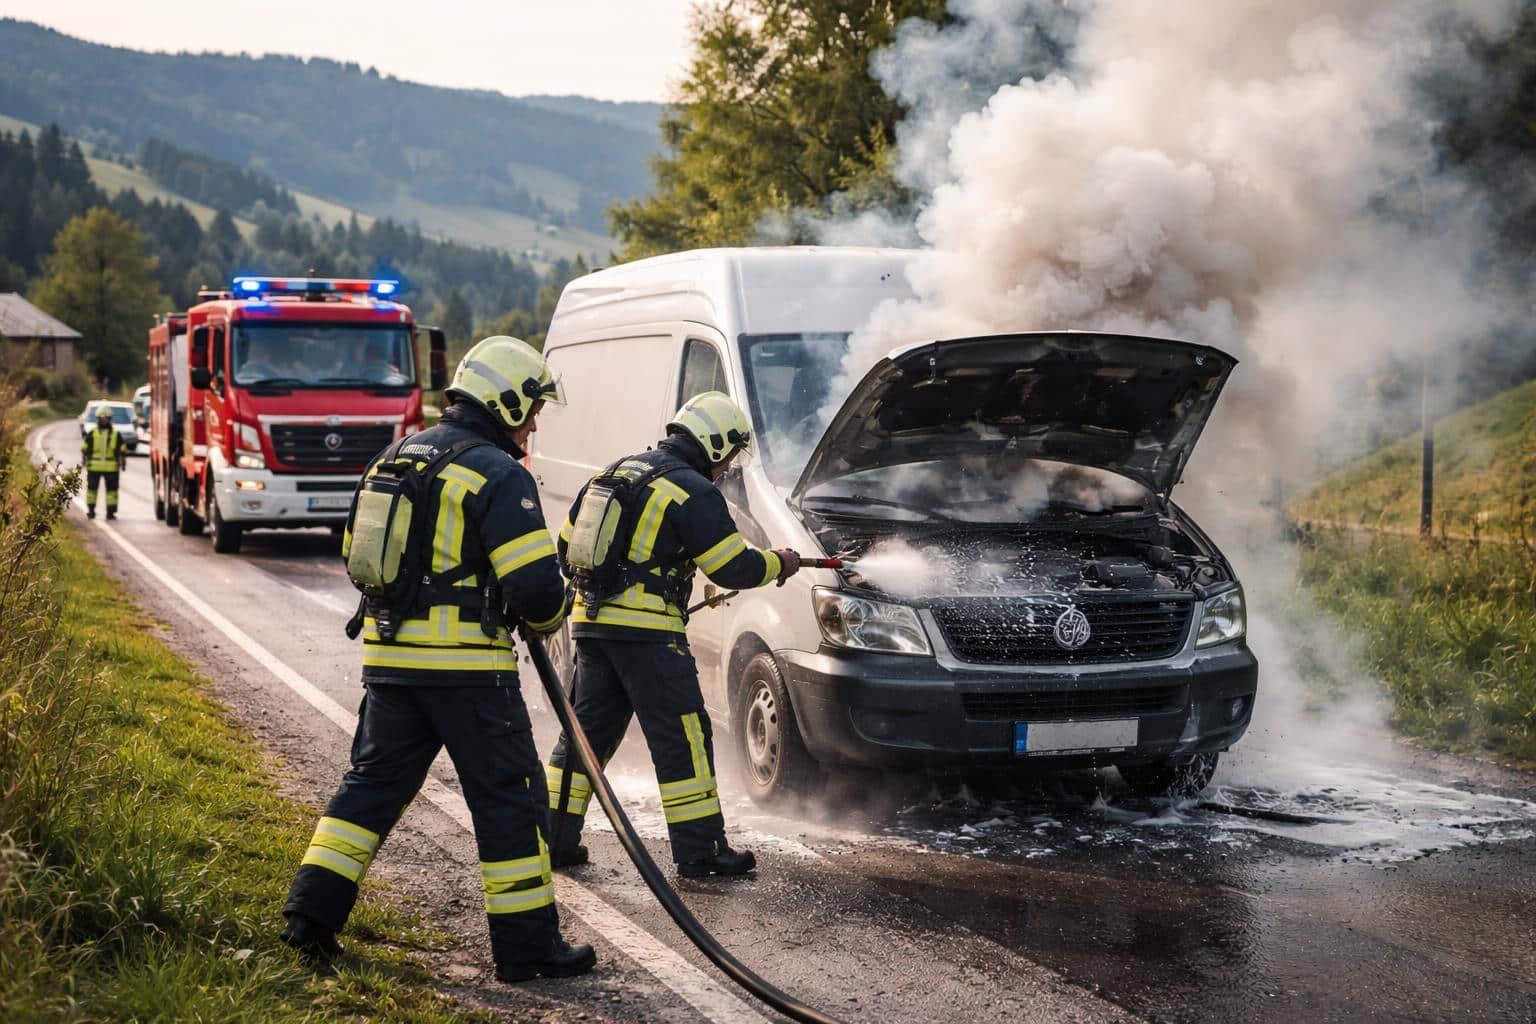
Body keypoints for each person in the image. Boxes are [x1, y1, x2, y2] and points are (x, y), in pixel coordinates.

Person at [281, 335, 596, 983]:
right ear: (507, 402)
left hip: (391, 664)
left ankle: (309, 919)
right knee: (510, 799)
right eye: (532, 408)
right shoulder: (499, 474)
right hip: (469, 673)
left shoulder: (395, 457)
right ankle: (528, 949)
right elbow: (536, 590)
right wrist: (553, 611)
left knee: (369, 790)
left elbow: (356, 553)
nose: (535, 422)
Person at [545, 391, 801, 877]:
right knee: (682, 739)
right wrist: (780, 563)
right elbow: (733, 566)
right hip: (650, 638)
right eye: (726, 457)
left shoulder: (612, 473)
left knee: (584, 737)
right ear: (713, 443)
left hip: (591, 629)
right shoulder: (692, 490)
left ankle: (553, 837)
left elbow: (565, 549)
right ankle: (701, 852)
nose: (726, 468)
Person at [81, 407, 126, 520]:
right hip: (111, 468)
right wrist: (123, 463)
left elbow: (84, 449)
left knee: (92, 490)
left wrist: (84, 461)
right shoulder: (116, 434)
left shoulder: (92, 433)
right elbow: (123, 450)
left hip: (94, 467)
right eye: (103, 418)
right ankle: (110, 513)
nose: (104, 420)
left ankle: (91, 511)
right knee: (111, 491)